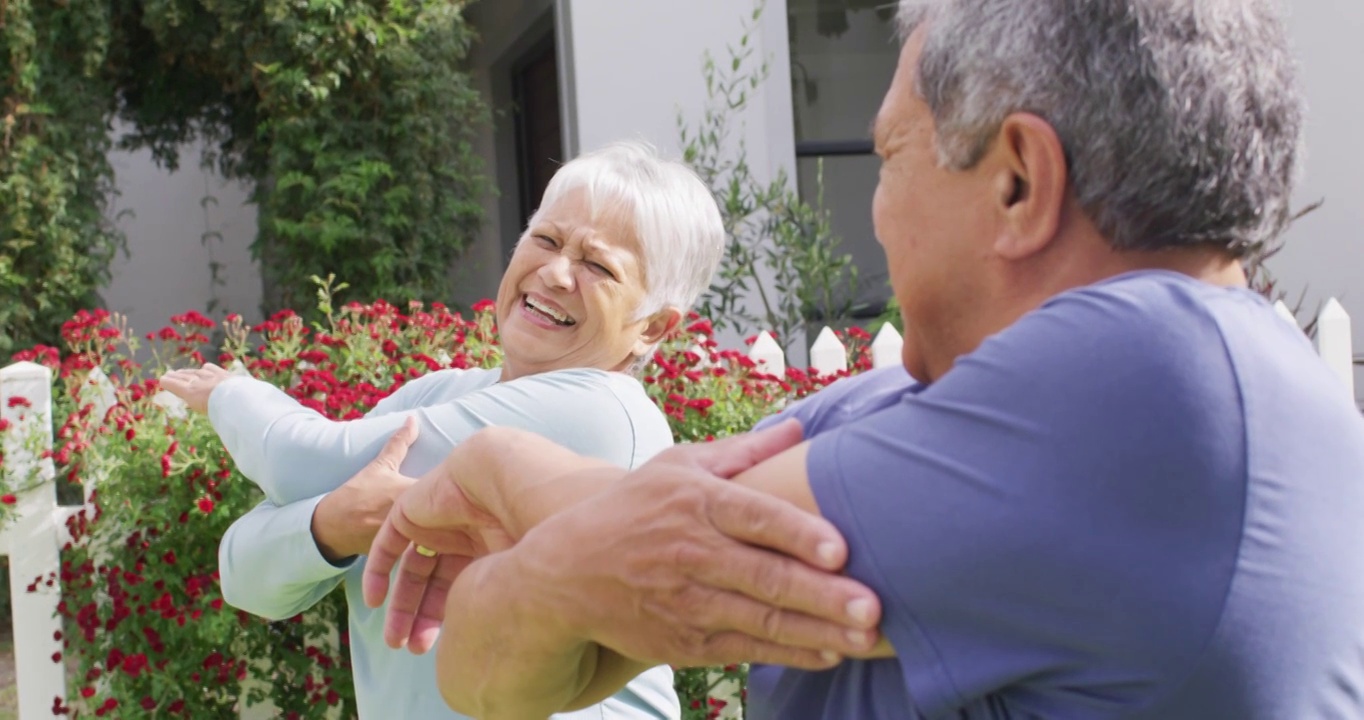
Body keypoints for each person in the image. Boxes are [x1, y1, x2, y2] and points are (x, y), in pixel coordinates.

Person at [360, 0, 1364, 718]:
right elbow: (485, 668)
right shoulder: (886, 412)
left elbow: (605, 569)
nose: (874, 216)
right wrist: (555, 572)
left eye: (886, 158)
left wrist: (496, 475)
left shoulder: (1164, 368)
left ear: (1017, 180)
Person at [158, 141, 736, 720]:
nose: (556, 273)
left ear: (653, 327)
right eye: (546, 240)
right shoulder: (435, 396)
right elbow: (244, 574)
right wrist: (335, 522)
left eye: (598, 265)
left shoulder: (606, 412)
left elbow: (296, 462)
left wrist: (230, 393)